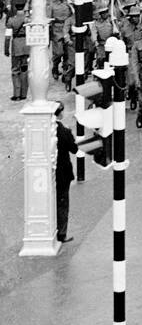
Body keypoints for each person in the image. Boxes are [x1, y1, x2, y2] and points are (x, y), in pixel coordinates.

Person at [54, 100, 77, 244]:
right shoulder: (64, 131)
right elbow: (74, 149)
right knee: (63, 203)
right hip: (63, 173)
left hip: (51, 173)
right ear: (60, 113)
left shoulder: (46, 129)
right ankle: (62, 233)